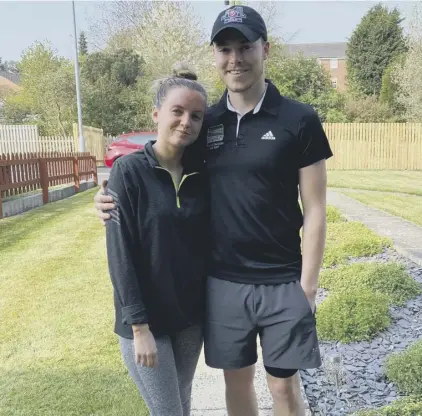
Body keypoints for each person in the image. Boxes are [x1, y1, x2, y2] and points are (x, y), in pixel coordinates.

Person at [96, 5, 333, 416]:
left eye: (245, 46)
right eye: (225, 49)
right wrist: (107, 195)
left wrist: (307, 288)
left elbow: (315, 210)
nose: (235, 58)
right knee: (237, 385)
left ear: (266, 49)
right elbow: (160, 163)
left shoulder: (301, 119)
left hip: (282, 280)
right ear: (215, 56)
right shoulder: (208, 122)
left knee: (283, 387)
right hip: (223, 282)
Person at [103, 65, 209, 416]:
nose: (185, 122)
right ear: (156, 114)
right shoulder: (128, 172)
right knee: (169, 412)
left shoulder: (204, 174)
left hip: (189, 319)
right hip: (145, 320)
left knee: (182, 403)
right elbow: (120, 253)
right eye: (176, 112)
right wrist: (139, 327)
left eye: (195, 116)